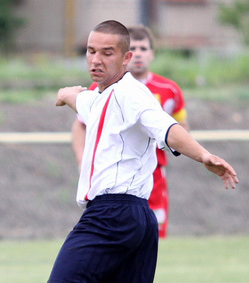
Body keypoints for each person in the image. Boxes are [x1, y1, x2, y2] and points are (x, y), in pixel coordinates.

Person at [43, 20, 238, 283]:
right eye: (91, 51)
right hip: (136, 218)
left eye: (107, 53)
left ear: (127, 57)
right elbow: (81, 98)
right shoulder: (99, 97)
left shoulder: (133, 95)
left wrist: (204, 156)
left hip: (112, 214)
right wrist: (66, 95)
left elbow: (166, 128)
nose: (96, 59)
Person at [72, 25, 189, 238]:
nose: (138, 54)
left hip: (154, 175)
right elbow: (80, 124)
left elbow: (180, 128)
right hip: (115, 182)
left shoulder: (168, 89)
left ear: (152, 53)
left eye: (143, 48)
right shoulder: (100, 89)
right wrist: (82, 160)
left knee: (152, 235)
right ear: (126, 55)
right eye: (134, 47)